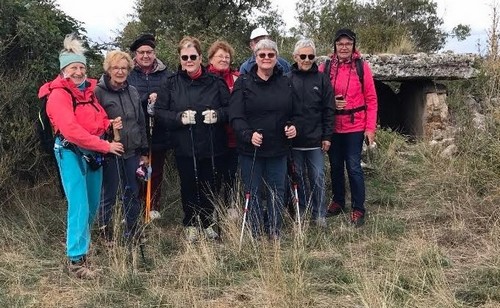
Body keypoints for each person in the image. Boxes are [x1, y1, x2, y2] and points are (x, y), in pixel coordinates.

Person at [38, 34, 124, 279]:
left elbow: (93, 120)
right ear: (64, 70)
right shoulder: (58, 95)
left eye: (82, 67)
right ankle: (76, 260)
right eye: (73, 67)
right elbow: (71, 130)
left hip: (93, 153)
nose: (78, 71)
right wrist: (106, 147)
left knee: (93, 205)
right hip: (70, 152)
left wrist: (108, 123)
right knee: (79, 204)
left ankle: (82, 247)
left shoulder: (88, 92)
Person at [156, 36, 230, 242]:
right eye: (184, 57)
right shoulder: (170, 83)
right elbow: (160, 112)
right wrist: (178, 118)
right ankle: (190, 223)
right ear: (180, 59)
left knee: (210, 185)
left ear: (200, 57)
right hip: (184, 146)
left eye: (193, 56)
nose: (189, 60)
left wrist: (217, 115)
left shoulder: (216, 82)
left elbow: (230, 109)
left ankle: (207, 222)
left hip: (212, 144)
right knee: (189, 185)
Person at [229, 39, 297, 240]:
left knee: (277, 190)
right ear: (255, 57)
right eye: (262, 55)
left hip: (278, 148)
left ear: (276, 57)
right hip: (252, 148)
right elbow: (235, 115)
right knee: (253, 191)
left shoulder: (285, 81)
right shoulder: (243, 82)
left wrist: (294, 126)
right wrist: (248, 134)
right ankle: (255, 229)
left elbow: (295, 112)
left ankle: (275, 229)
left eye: (271, 55)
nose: (266, 58)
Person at [319, 28, 378, 226]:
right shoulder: (325, 67)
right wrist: (331, 102)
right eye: (340, 44)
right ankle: (338, 201)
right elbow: (316, 94)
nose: (344, 47)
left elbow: (371, 98)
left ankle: (358, 208)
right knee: (335, 166)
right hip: (333, 126)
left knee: (353, 167)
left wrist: (370, 129)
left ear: (353, 46)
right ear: (334, 46)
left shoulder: (362, 67)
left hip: (355, 125)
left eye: (348, 44)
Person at [95, 51, 148, 244]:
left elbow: (140, 122)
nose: (120, 71)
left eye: (124, 68)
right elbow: (94, 122)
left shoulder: (132, 91)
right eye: (116, 68)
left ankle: (132, 230)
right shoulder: (98, 92)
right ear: (108, 69)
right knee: (108, 193)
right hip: (111, 151)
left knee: (132, 191)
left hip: (132, 151)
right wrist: (108, 126)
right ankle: (105, 232)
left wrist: (144, 151)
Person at [287, 39, 335, 227]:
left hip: (316, 139)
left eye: (311, 56)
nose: (307, 60)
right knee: (297, 177)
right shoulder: (287, 78)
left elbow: (329, 109)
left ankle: (320, 214)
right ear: (295, 57)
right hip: (294, 140)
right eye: (303, 56)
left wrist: (327, 136)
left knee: (317, 177)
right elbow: (282, 109)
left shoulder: (322, 79)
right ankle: (302, 212)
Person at [128, 33, 171, 221]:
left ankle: (153, 205)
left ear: (154, 53)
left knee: (156, 168)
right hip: (135, 130)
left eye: (149, 52)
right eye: (141, 52)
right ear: (135, 55)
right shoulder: (128, 73)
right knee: (135, 169)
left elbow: (171, 97)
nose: (145, 55)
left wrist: (159, 98)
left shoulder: (165, 74)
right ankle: (135, 205)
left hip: (158, 129)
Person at [207, 40, 239, 214]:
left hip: (233, 135)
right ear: (211, 58)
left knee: (231, 173)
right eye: (220, 56)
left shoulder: (237, 77)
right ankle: (212, 205)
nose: (224, 59)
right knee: (213, 173)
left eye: (227, 56)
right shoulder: (204, 78)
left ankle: (230, 204)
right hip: (211, 135)